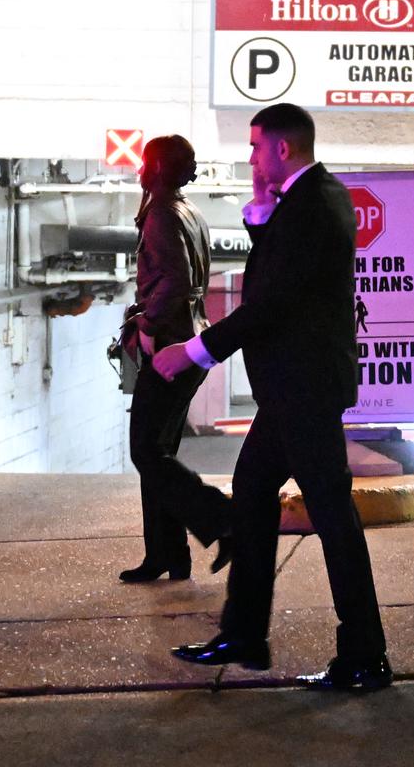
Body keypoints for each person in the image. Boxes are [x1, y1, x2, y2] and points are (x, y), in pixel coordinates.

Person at [155, 103, 392, 694]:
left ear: (283, 149)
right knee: (257, 494)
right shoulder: (310, 200)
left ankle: (364, 654)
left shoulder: (314, 204)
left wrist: (193, 351)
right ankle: (245, 633)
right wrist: (262, 210)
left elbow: (271, 304)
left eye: (256, 147)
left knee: (333, 517)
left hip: (303, 389)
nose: (251, 157)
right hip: (295, 388)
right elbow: (283, 275)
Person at [118, 134, 234, 582]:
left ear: (159, 169)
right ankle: (168, 555)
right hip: (190, 342)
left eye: (147, 163)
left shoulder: (163, 215)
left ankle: (221, 520)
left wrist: (146, 327)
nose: (140, 169)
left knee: (147, 451)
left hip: (169, 345)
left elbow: (177, 282)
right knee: (158, 454)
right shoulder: (188, 211)